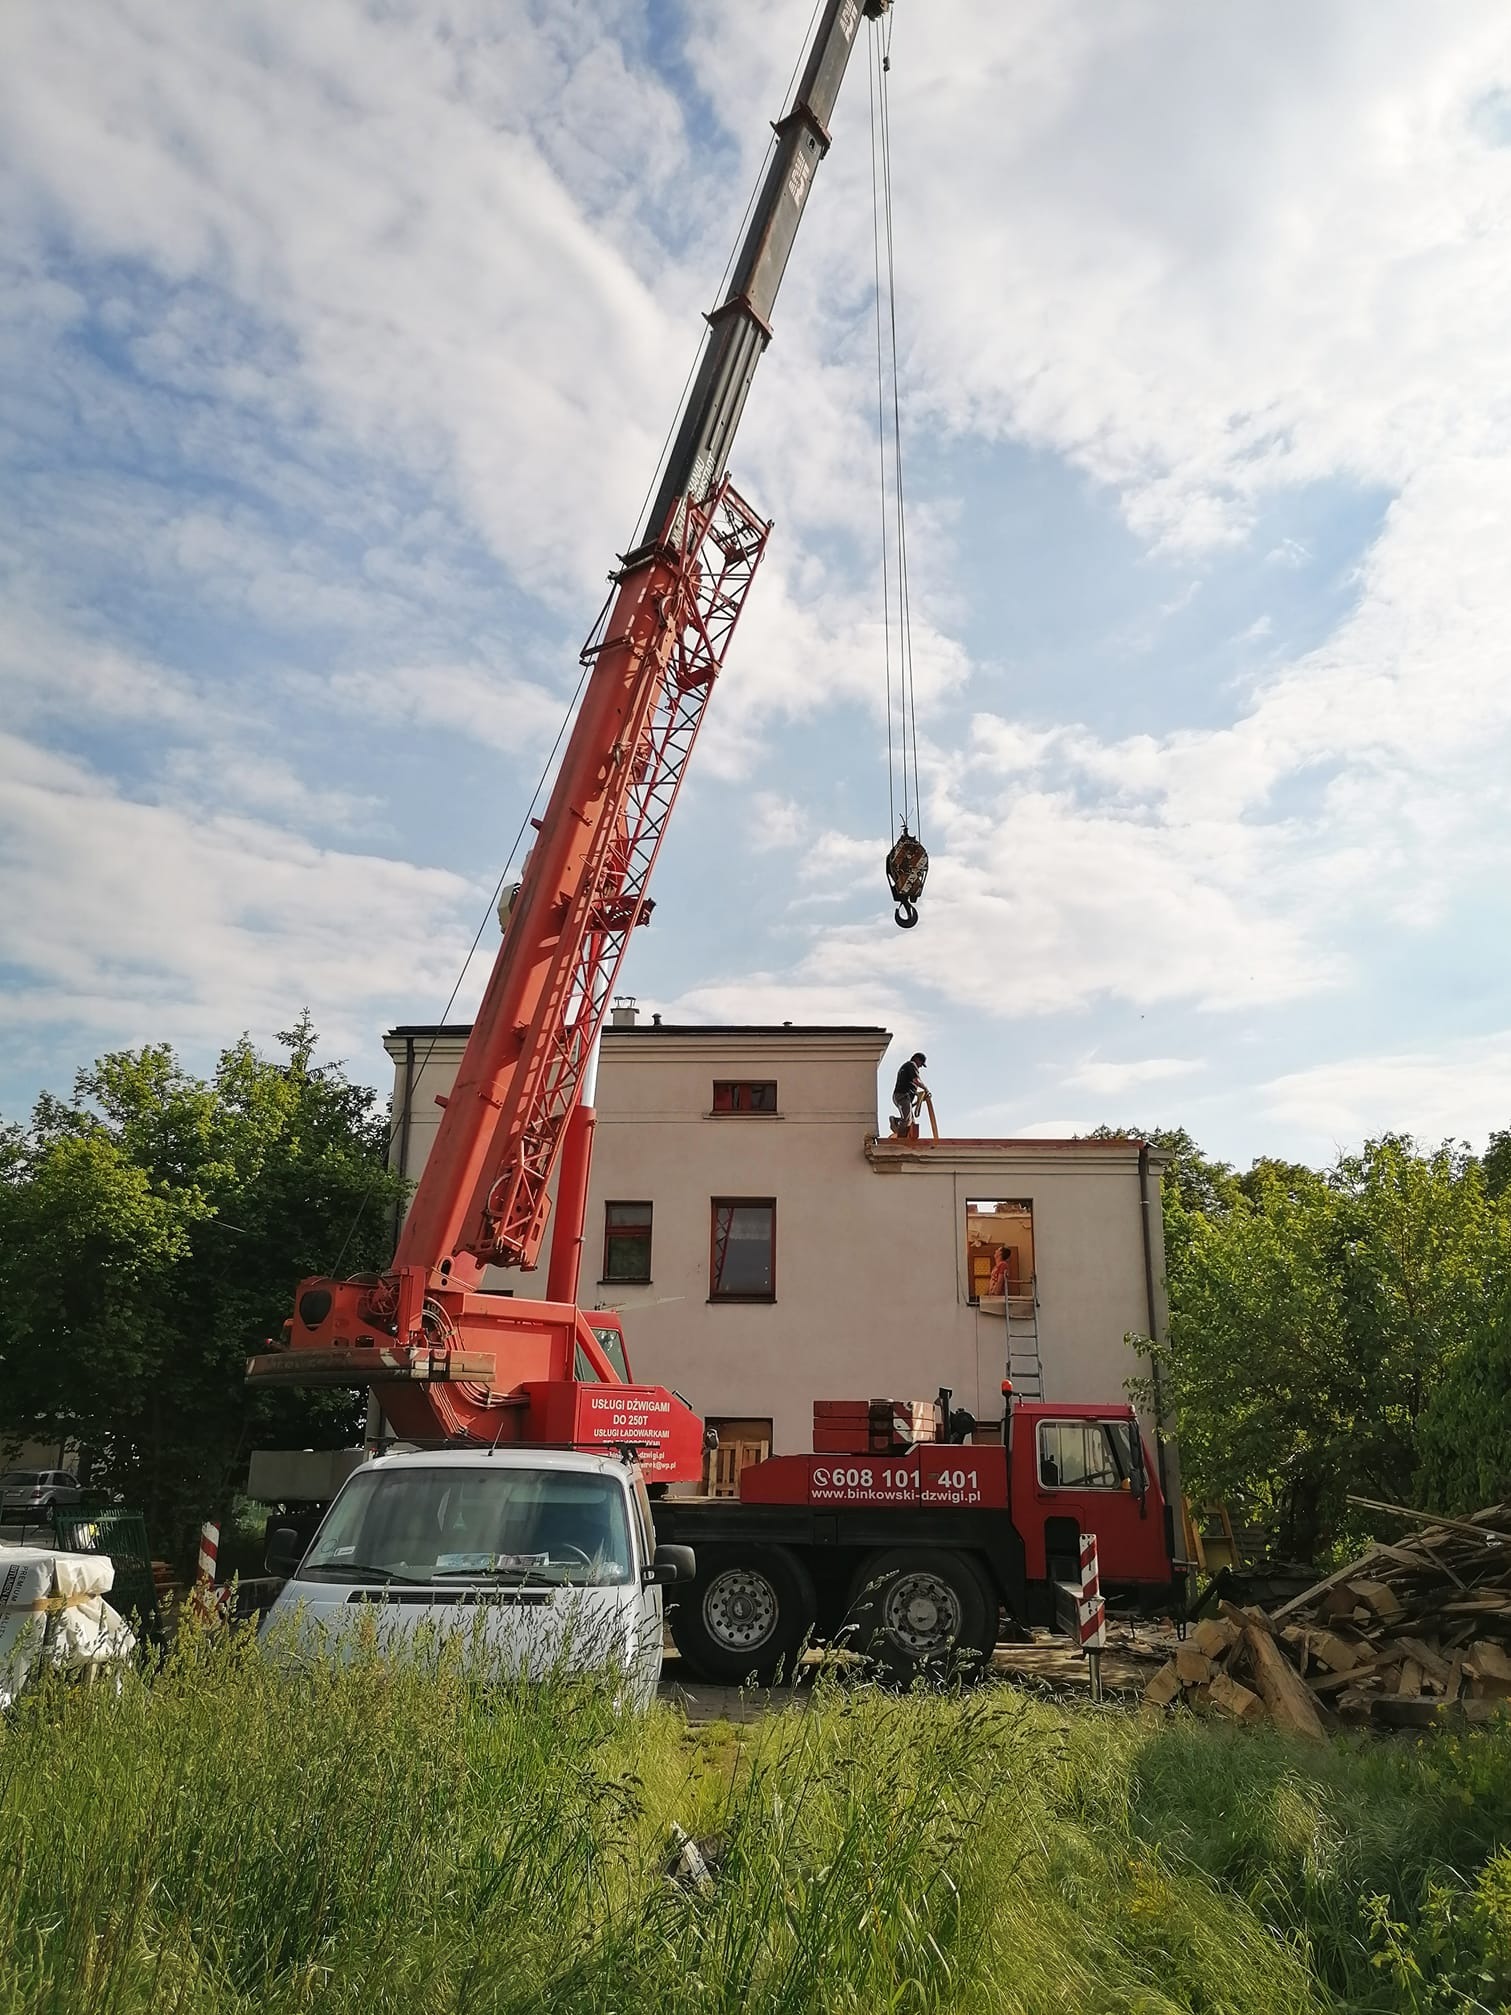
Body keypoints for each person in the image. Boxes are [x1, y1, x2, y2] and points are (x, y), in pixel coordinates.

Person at [889, 1051, 928, 1136]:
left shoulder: (906, 1066)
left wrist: (919, 1096)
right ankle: (901, 1140)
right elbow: (916, 1080)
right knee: (907, 1121)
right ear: (917, 1059)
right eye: (921, 1063)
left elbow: (909, 1084)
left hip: (900, 1095)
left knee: (912, 1124)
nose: (920, 1066)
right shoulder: (912, 1065)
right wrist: (926, 1089)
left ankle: (896, 1121)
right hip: (902, 1095)